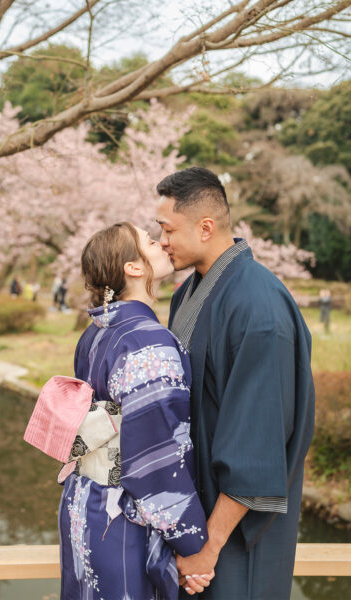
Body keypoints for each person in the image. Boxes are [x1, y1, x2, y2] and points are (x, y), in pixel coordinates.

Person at [156, 166, 315, 599]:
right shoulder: (186, 294)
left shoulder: (258, 307)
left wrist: (209, 545)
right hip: (192, 516)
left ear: (205, 227)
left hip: (233, 534)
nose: (161, 241)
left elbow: (258, 442)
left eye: (167, 229)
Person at [60, 222, 212, 600]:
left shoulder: (95, 332)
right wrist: (194, 546)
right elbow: (156, 458)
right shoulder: (148, 341)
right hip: (123, 519)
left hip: (83, 502)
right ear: (134, 267)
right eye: (148, 240)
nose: (161, 242)